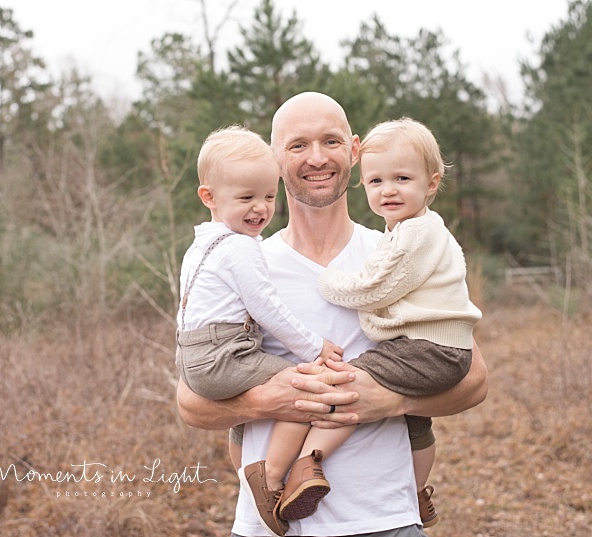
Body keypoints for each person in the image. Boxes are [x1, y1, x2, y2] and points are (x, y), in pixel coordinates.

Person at [176, 92, 489, 537]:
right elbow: (190, 402)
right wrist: (277, 398)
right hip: (268, 527)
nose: (317, 158)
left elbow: (474, 378)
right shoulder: (241, 261)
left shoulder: (396, 253)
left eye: (332, 141)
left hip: (385, 520)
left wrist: (394, 401)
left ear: (355, 150)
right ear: (276, 158)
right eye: (298, 145)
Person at [176, 125, 359, 537]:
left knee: (252, 395)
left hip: (193, 353)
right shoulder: (242, 247)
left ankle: (244, 466)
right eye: (246, 198)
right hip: (225, 352)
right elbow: (268, 310)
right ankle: (272, 478)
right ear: (209, 197)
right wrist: (315, 350)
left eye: (269, 196)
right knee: (307, 386)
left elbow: (188, 308)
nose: (260, 208)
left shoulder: (201, 245)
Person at [317, 117, 483, 527]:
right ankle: (418, 493)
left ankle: (307, 464)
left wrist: (328, 281)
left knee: (346, 381)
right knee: (416, 424)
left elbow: (375, 288)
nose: (387, 189)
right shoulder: (400, 232)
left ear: (431, 183)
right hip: (431, 345)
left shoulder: (416, 232)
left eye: (402, 178)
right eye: (375, 181)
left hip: (431, 347)